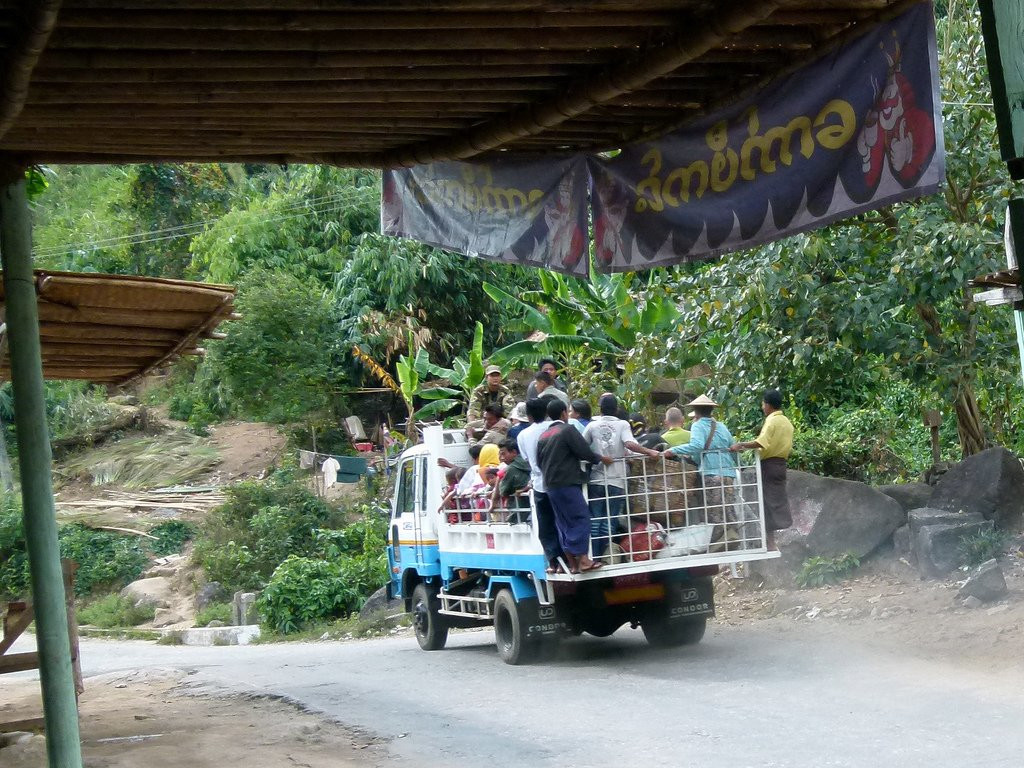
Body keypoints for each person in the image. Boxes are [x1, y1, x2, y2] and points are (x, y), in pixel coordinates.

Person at [538, 398, 614, 573]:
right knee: (581, 518)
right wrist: (601, 458)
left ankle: (573, 565)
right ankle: (584, 560)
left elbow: (538, 461)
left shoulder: (544, 435)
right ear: (564, 413)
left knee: (563, 523)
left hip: (550, 485)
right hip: (567, 483)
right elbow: (584, 452)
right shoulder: (567, 430)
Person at [584, 394, 660, 556]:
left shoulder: (592, 426)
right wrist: (649, 452)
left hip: (597, 479)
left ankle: (595, 555)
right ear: (616, 409)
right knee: (609, 522)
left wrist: (597, 457)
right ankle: (606, 556)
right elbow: (630, 444)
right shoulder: (622, 425)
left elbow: (581, 447)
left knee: (596, 521)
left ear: (600, 409)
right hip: (616, 481)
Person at [663, 395, 739, 542]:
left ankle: (717, 545)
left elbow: (697, 446)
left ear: (695, 411)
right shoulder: (722, 426)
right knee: (728, 509)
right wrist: (737, 468)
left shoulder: (697, 425)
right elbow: (733, 447)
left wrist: (673, 450)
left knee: (713, 513)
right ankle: (734, 538)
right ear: (711, 410)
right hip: (728, 473)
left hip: (711, 473)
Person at [729, 389, 794, 550]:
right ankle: (775, 536)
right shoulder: (787, 422)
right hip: (781, 465)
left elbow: (761, 441)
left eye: (763, 404)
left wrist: (742, 445)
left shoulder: (771, 421)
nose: (762, 407)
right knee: (777, 499)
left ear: (768, 404)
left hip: (768, 465)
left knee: (765, 503)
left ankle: (770, 543)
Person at [516, 398, 563, 569]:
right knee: (563, 520)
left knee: (545, 524)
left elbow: (527, 460)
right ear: (547, 412)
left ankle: (553, 561)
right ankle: (569, 558)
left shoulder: (523, 435)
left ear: (528, 416)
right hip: (560, 481)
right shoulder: (556, 428)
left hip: (539, 485)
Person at [491, 438, 532, 523]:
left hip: (521, 512)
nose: (501, 458)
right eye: (500, 454)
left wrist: (499, 477)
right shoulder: (530, 461)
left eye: (503, 454)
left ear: (514, 452)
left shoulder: (511, 469)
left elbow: (503, 491)